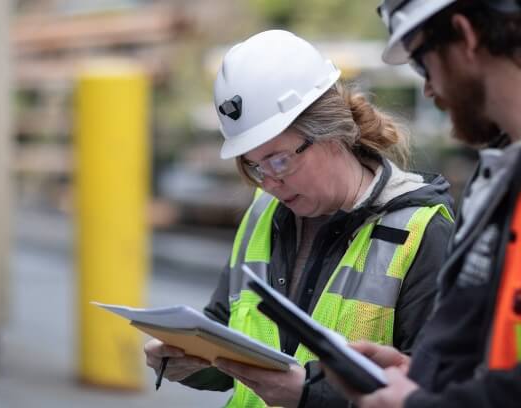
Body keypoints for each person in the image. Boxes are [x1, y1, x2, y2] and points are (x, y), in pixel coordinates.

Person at [321, 0, 521, 407]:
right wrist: (427, 376)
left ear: (466, 36)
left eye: (423, 63)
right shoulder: (519, 162)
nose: (428, 88)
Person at [143, 29, 455, 407]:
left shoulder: (419, 231)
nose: (270, 182)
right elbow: (227, 331)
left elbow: (436, 392)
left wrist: (308, 396)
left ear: (332, 132)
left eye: (279, 159)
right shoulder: (262, 212)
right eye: (254, 166)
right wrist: (190, 360)